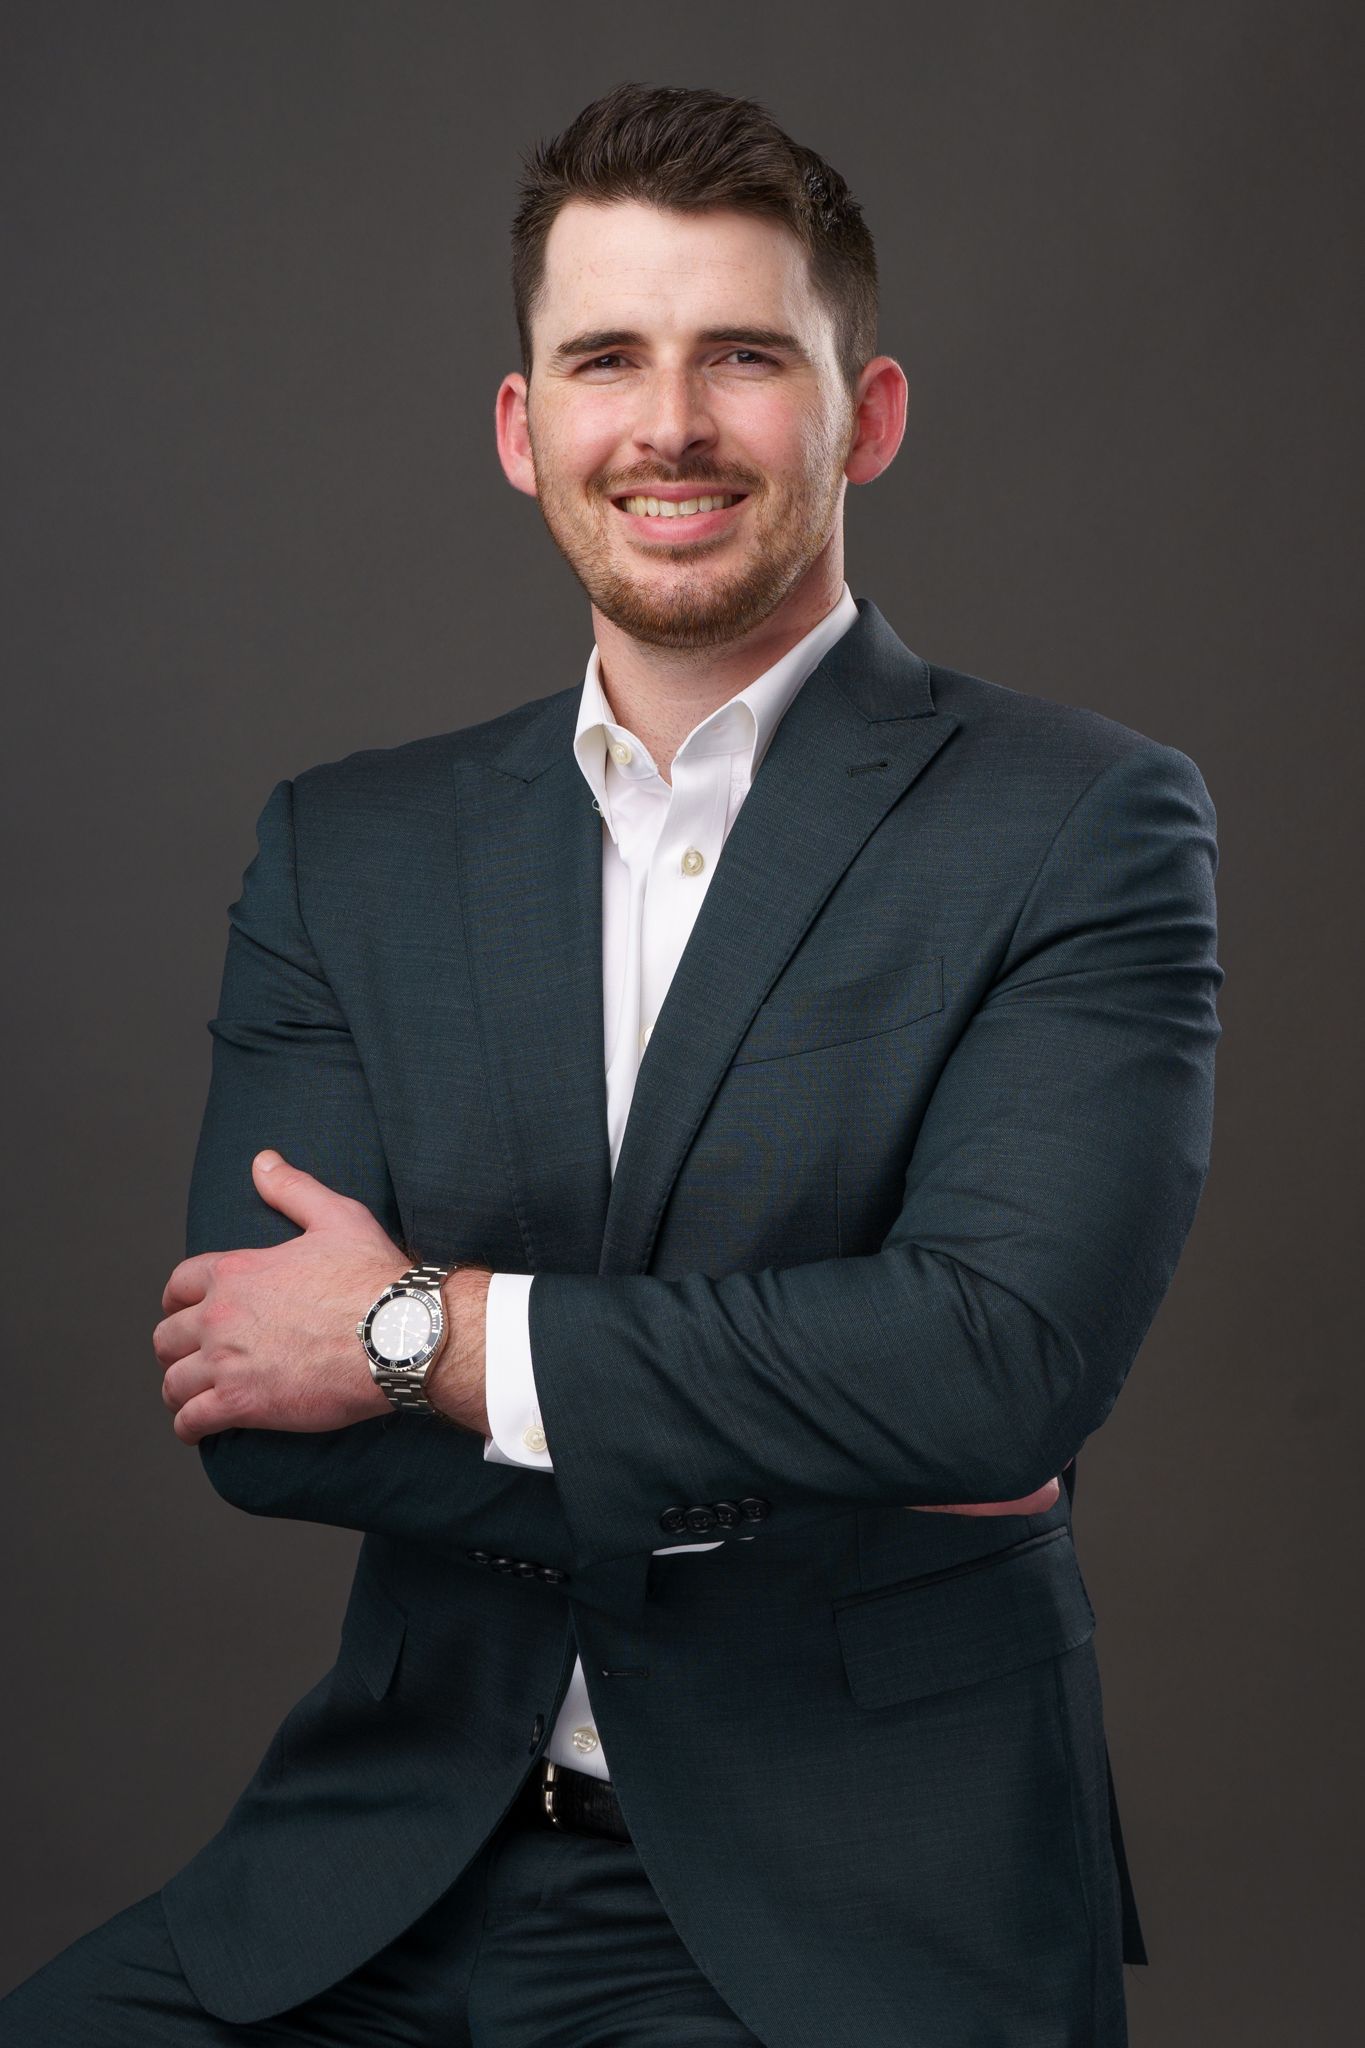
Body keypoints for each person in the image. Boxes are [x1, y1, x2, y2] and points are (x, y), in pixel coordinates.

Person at [0, 80, 1222, 2048]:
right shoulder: (347, 846)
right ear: (523, 429)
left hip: (850, 1906)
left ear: (865, 414)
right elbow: (246, 1398)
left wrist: (417, 1330)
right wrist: (833, 1427)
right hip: (386, 1857)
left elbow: (997, 1369)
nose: (667, 424)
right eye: (604, 359)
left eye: (741, 356)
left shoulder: (1079, 823)